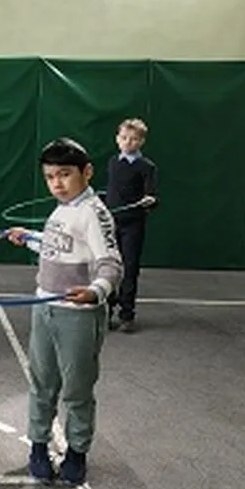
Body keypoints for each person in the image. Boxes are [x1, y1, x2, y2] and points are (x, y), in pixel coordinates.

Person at [5, 138, 123, 486]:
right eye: (50, 177)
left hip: (78, 317)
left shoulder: (94, 213)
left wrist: (95, 292)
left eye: (65, 174)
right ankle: (38, 447)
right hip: (45, 308)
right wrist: (28, 236)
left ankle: (76, 453)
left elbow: (111, 265)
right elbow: (57, 245)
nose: (57, 183)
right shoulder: (62, 209)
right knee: (41, 383)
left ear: (87, 172)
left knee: (77, 389)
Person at [104, 118, 158, 333]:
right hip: (111, 222)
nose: (128, 142)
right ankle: (107, 311)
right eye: (124, 138)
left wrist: (150, 200)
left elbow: (152, 194)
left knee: (130, 268)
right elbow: (112, 191)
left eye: (134, 139)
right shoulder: (113, 162)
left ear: (141, 142)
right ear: (117, 139)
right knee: (109, 266)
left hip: (133, 224)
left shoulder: (147, 167)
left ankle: (127, 314)